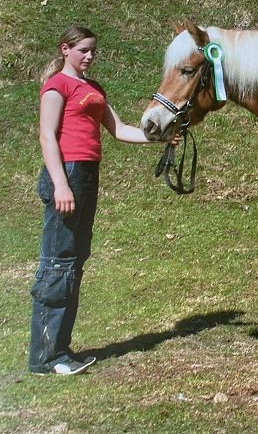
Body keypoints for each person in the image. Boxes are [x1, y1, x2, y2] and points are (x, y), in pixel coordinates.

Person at [29, 26, 176, 375]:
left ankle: (60, 350)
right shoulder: (57, 86)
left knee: (75, 259)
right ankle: (45, 358)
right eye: (82, 50)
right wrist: (61, 186)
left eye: (93, 50)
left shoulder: (93, 89)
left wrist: (161, 137)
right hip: (66, 173)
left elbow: (120, 130)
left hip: (86, 175)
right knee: (58, 260)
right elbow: (47, 136)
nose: (89, 56)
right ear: (65, 49)